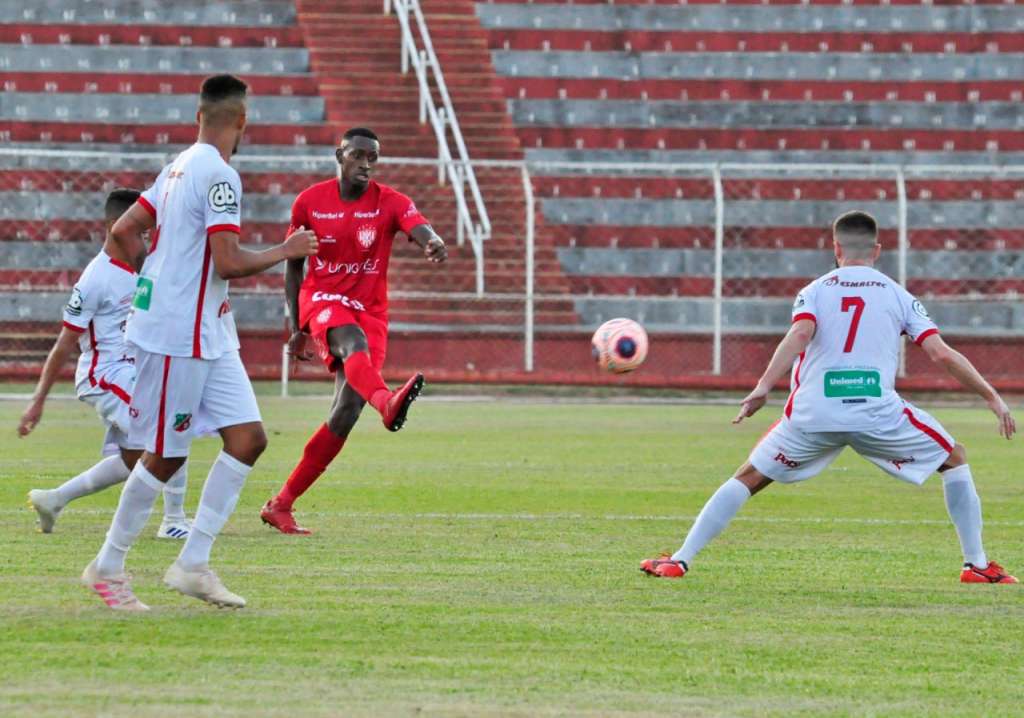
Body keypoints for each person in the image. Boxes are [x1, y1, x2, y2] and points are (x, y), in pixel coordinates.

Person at [642, 210, 1018, 584]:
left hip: (814, 414)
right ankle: (977, 565)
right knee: (954, 458)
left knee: (750, 475)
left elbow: (799, 335)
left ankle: (680, 560)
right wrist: (991, 396)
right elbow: (941, 353)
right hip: (875, 413)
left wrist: (763, 386)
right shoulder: (898, 295)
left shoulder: (815, 290)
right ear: (878, 249)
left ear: (835, 247)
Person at [80, 74, 318, 611]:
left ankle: (192, 564)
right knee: (164, 454)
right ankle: (107, 566)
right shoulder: (220, 175)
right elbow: (229, 262)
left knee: (249, 439)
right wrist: (288, 249)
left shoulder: (176, 166)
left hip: (209, 329)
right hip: (178, 336)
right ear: (242, 120)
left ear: (198, 116)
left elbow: (122, 231)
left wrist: (156, 275)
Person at [259, 127, 447, 535]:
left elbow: (419, 226)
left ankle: (281, 504)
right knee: (352, 343)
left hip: (372, 312)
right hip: (323, 300)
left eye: (372, 158)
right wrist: (297, 326)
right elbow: (294, 264)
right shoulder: (310, 202)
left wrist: (432, 242)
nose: (365, 163)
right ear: (339, 154)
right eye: (358, 155)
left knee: (344, 413)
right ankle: (386, 404)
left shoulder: (390, 201)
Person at [18, 189, 191, 539]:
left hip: (132, 370)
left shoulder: (142, 268)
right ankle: (174, 521)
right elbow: (66, 342)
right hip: (105, 374)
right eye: (141, 231)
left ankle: (54, 499)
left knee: (134, 458)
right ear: (115, 227)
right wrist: (38, 400)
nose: (145, 239)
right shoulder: (95, 278)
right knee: (167, 426)